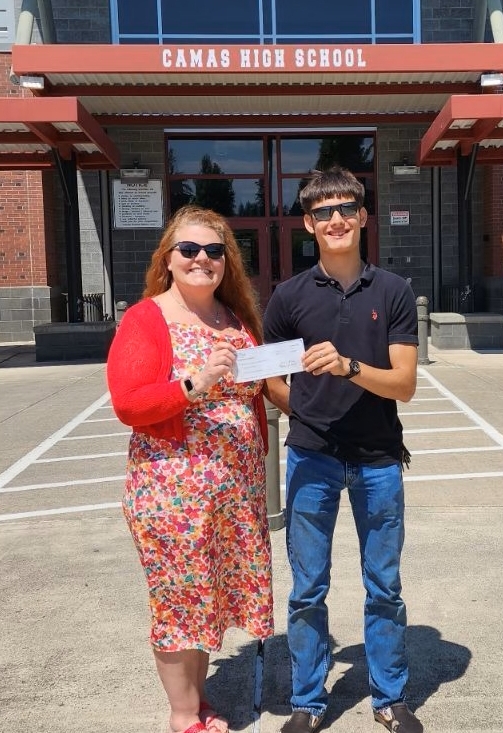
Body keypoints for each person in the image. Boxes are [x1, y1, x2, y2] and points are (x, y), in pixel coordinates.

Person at [262, 166, 422, 733]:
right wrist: (308, 413)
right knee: (308, 589)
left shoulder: (393, 291)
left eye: (346, 208)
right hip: (312, 458)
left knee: (385, 587)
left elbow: (404, 384)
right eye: (324, 211)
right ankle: (307, 701)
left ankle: (389, 697)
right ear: (309, 224)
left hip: (378, 460)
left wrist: (349, 367)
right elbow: (272, 381)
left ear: (363, 216)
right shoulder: (289, 296)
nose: (336, 219)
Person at [107, 204, 274, 733]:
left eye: (214, 250)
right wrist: (194, 383)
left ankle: (199, 700)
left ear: (227, 261)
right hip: (173, 491)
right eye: (189, 248)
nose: (202, 258)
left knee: (208, 598)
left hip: (234, 492)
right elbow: (128, 403)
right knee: (179, 600)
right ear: (168, 258)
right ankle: (183, 715)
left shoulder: (235, 317)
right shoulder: (147, 318)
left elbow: (259, 390)